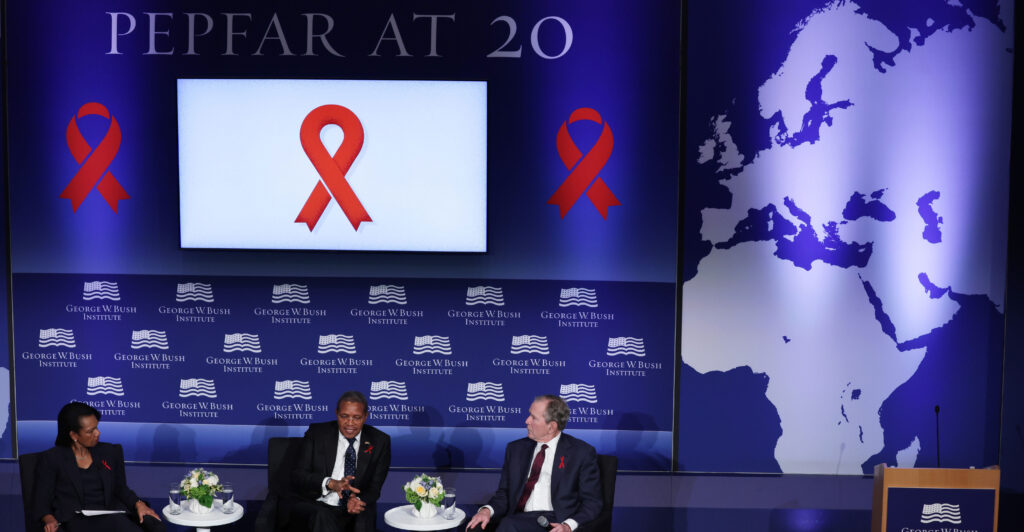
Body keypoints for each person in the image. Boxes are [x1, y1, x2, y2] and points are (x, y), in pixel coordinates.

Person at [466, 394, 602, 532]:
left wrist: (568, 526)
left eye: (534, 417)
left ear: (551, 427)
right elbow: (505, 494)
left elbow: (592, 502)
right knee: (475, 527)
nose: (527, 421)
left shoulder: (581, 453)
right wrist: (486, 511)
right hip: (517, 516)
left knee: (510, 525)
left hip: (552, 520)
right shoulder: (516, 449)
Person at [33, 402, 164, 532]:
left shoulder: (109, 452)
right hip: (77, 520)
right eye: (90, 431)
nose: (97, 433)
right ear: (74, 435)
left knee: (125, 524)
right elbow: (41, 500)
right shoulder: (52, 458)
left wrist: (139, 504)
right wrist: (49, 519)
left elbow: (120, 488)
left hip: (111, 514)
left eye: (96, 427)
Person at [290, 390, 391, 532]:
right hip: (317, 502)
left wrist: (357, 499)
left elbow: (375, 488)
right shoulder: (317, 433)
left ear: (365, 416)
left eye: (357, 417)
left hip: (353, 503)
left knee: (364, 517)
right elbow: (298, 475)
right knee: (322, 516)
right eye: (344, 416)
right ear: (337, 413)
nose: (350, 423)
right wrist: (330, 483)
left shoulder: (380, 441)